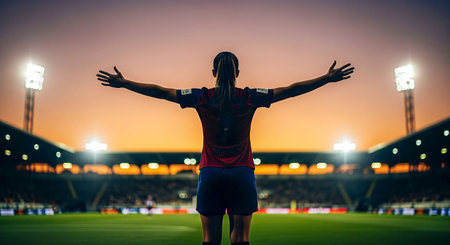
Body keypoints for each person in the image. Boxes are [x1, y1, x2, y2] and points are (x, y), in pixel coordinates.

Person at [97, 51, 354, 245]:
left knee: (210, 240)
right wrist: (325, 79)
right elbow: (290, 90)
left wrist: (126, 83)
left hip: (210, 173)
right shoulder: (250, 96)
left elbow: (160, 91)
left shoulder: (200, 96)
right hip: (242, 173)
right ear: (238, 72)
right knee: (241, 239)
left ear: (213, 72)